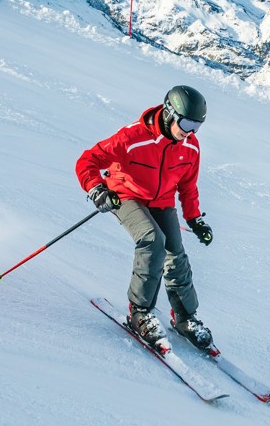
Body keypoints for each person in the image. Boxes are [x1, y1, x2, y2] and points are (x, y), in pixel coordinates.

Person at [76, 85, 215, 349]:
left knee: (175, 252)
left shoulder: (190, 148)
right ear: (169, 113)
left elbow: (187, 187)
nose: (190, 132)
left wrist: (195, 219)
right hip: (125, 195)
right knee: (152, 241)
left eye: (197, 126)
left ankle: (185, 317)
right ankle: (140, 312)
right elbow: (87, 161)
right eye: (186, 123)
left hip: (161, 201)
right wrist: (97, 189)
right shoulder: (133, 137)